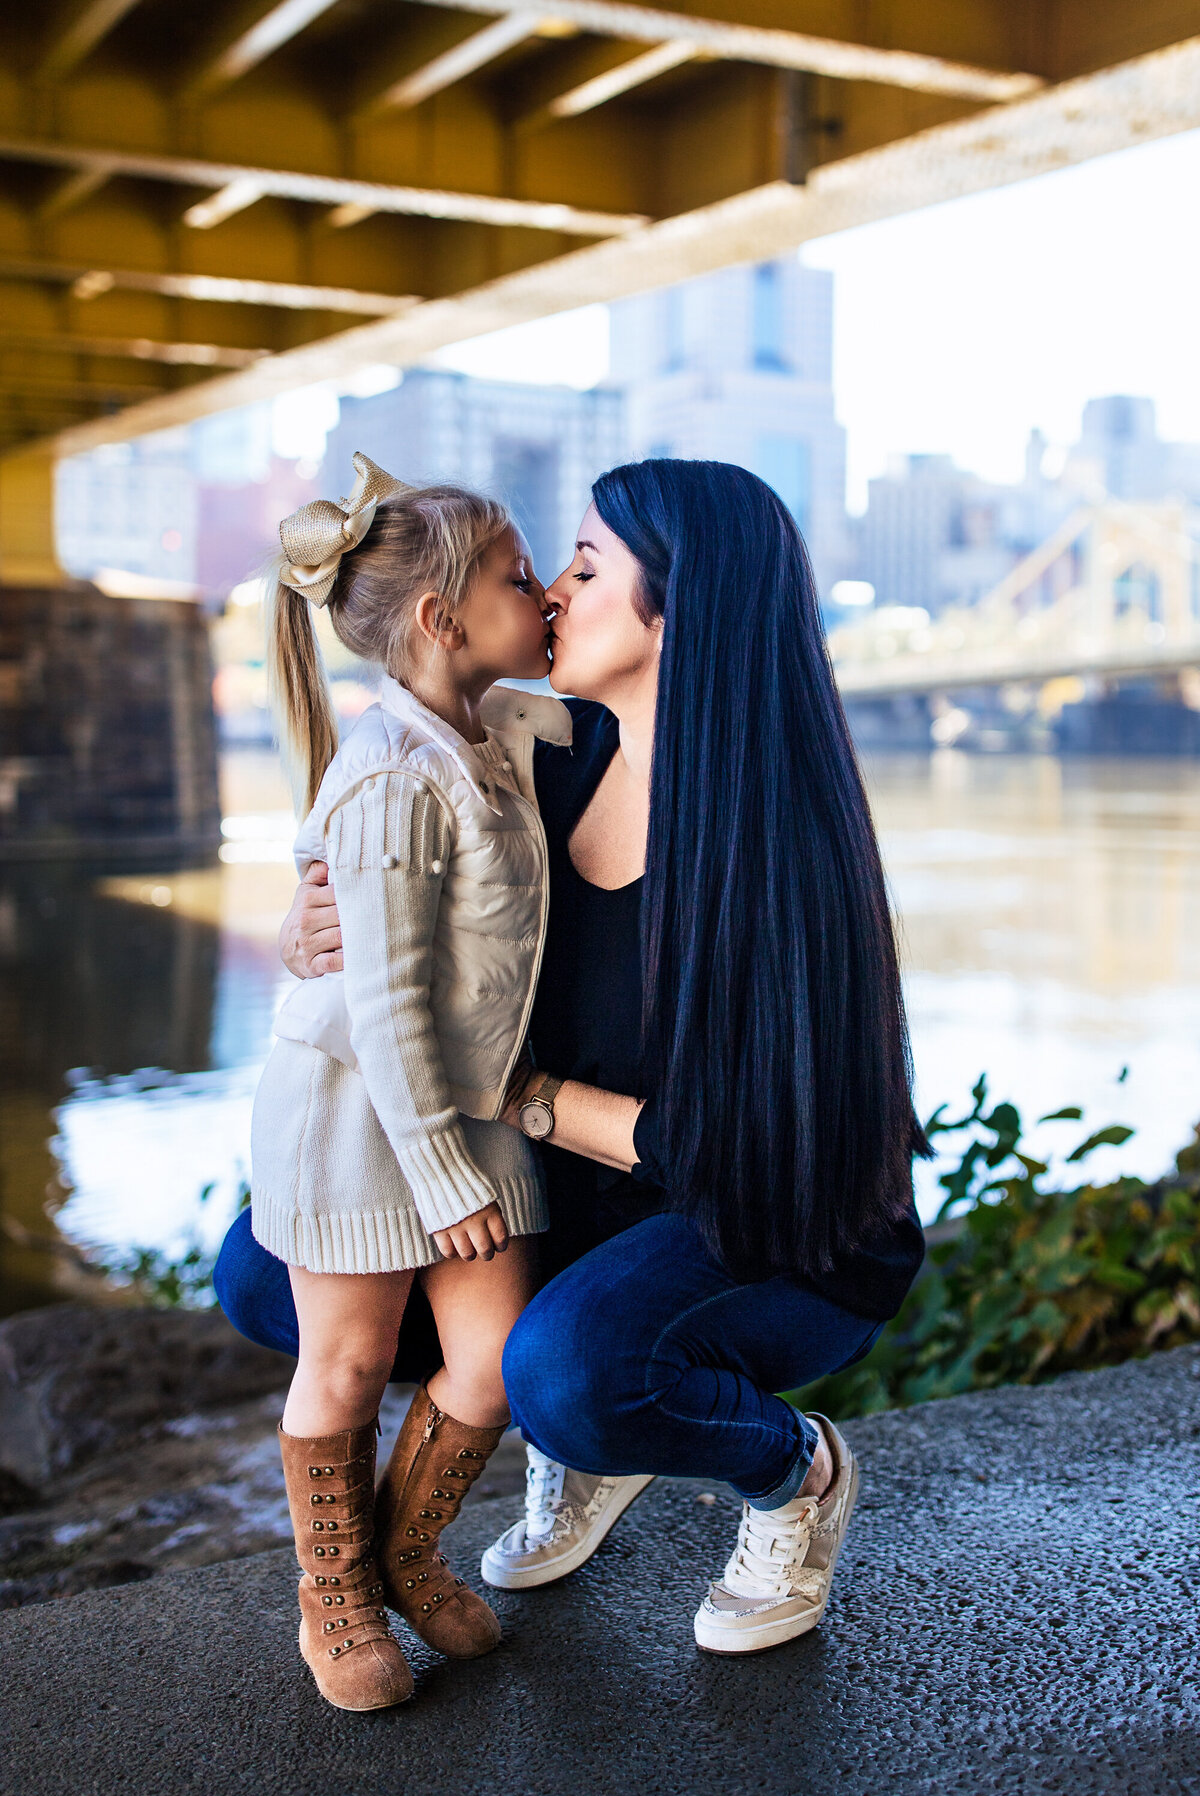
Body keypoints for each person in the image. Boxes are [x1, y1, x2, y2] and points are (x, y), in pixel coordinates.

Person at [217, 457, 926, 1659]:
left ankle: (791, 1477)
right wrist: (311, 924)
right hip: (589, 1197)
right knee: (263, 1268)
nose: (551, 591)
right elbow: (404, 890)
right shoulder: (542, 762)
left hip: (766, 1220)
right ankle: (570, 1453)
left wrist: (519, 1099)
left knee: (574, 1370)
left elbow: (721, 1143)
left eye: (587, 568)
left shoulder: (772, 848)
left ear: (678, 610)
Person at [250, 451, 570, 1712]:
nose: (544, 596)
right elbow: (379, 1003)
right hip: (361, 1111)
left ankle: (402, 1549)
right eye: (519, 576)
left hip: (465, 1100)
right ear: (442, 620)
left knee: (493, 1361)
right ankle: (333, 1593)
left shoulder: (484, 734)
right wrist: (440, 1175)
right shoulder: (388, 770)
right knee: (345, 1356)